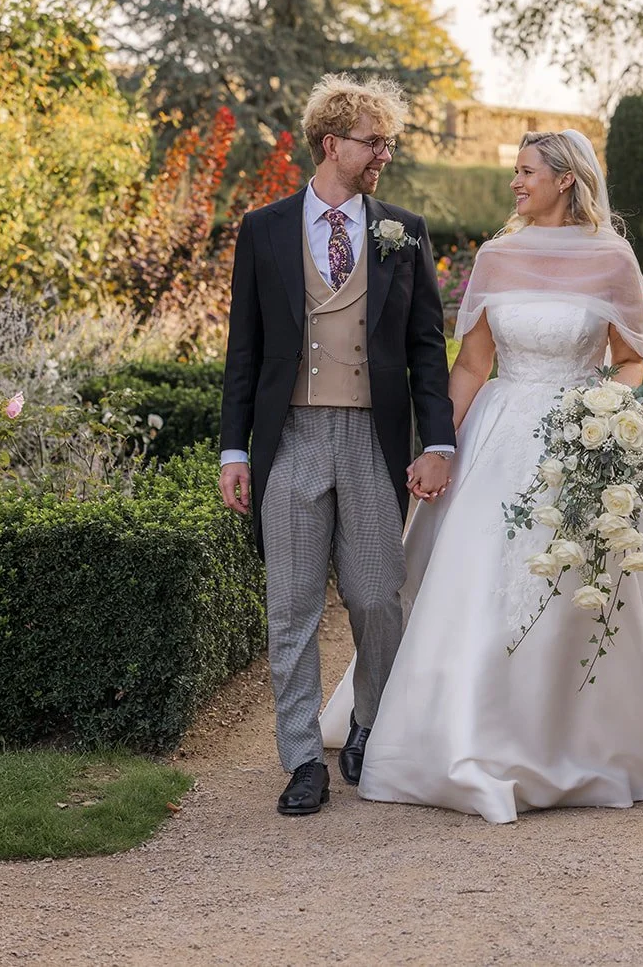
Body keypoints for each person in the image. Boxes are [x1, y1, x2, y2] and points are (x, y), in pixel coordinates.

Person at [320, 130, 643, 822]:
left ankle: (584, 735)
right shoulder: (496, 256)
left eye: (525, 171)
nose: (515, 182)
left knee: (590, 587)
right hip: (499, 435)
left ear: (565, 179)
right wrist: (439, 443)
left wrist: (613, 418)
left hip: (585, 438)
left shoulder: (612, 259)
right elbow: (471, 363)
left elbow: (630, 360)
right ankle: (457, 728)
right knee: (472, 581)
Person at [218, 74, 457, 816]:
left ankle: (367, 722)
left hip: (370, 438)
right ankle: (300, 760)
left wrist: (438, 441)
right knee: (289, 605)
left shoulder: (403, 230)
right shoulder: (263, 229)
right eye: (372, 141)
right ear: (333, 144)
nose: (384, 152)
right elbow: (244, 350)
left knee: (376, 595)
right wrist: (234, 450)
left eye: (388, 141)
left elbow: (426, 347)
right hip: (290, 437)